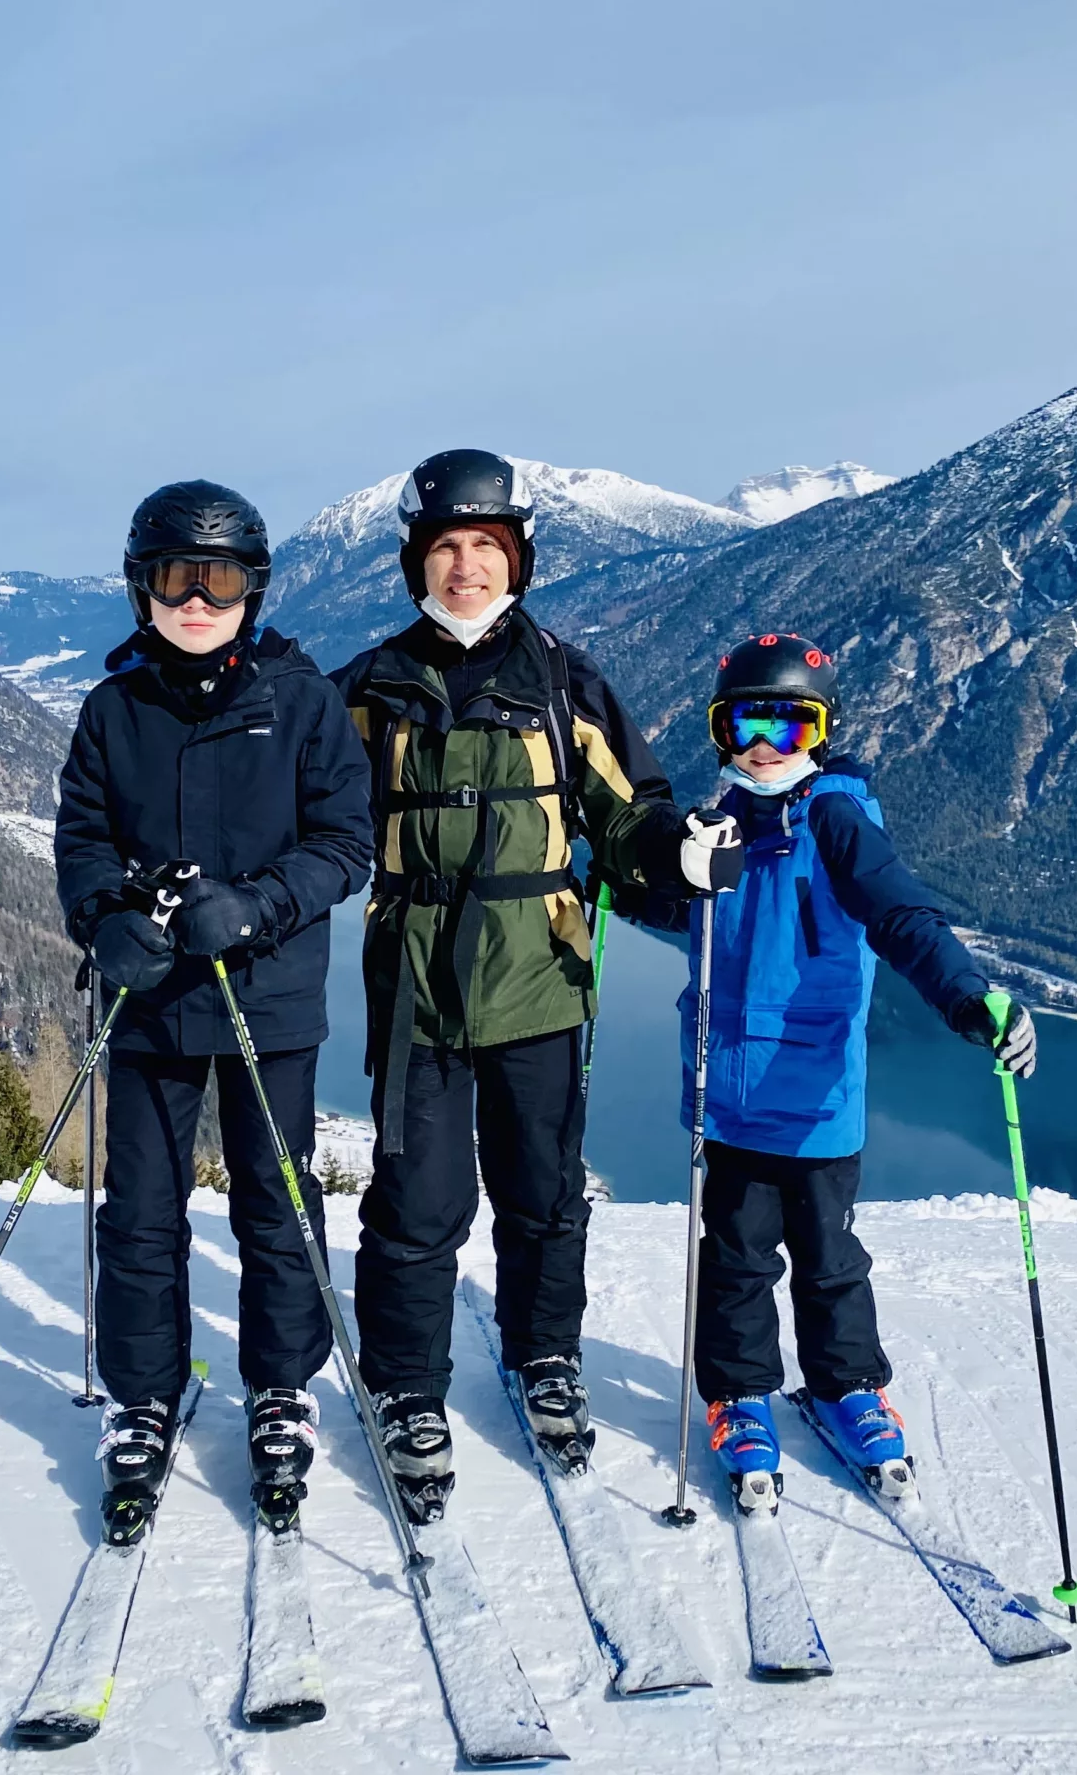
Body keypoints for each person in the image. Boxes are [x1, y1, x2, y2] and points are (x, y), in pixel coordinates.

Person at [330, 448, 685, 1520]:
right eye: (446, 548)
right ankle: (405, 1388)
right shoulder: (371, 688)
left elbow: (630, 808)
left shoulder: (562, 681)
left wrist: (676, 855)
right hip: (418, 986)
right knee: (415, 1201)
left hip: (540, 972)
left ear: (517, 559)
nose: (467, 568)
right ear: (416, 564)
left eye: (486, 547)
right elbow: (307, 815)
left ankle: (544, 1360)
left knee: (541, 1194)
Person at [53, 481, 373, 1542]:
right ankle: (145, 1391)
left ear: (253, 590)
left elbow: (343, 844)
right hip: (147, 1000)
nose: (197, 600)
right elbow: (84, 841)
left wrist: (258, 905)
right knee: (139, 1214)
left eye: (220, 578)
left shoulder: (302, 698)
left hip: (264, 997)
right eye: (175, 578)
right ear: (142, 588)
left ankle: (280, 1386)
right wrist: (102, 919)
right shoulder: (113, 709)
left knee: (275, 1208)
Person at [672, 632, 1038, 1508]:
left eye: (788, 726)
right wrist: (621, 869)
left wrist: (967, 998)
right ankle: (739, 1395)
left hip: (817, 1100)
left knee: (831, 1258)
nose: (764, 745)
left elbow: (902, 915)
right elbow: (656, 895)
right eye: (744, 723)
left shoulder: (835, 819)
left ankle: (847, 1387)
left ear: (821, 734)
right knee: (734, 1259)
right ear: (720, 733)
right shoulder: (714, 826)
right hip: (726, 1096)